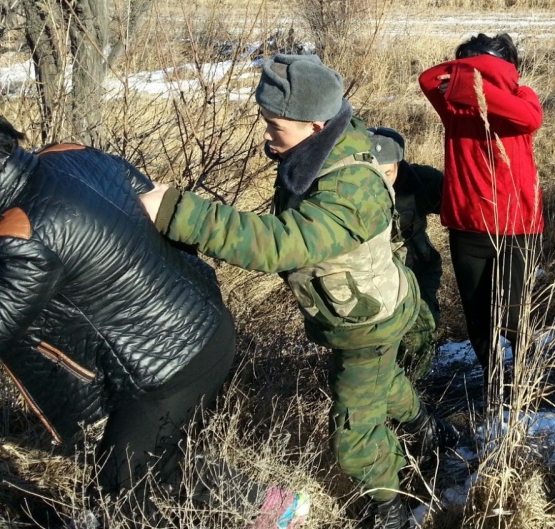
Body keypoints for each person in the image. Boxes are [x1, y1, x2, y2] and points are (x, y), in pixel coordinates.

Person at [140, 54, 452, 529]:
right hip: (363, 314)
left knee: (354, 431)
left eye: (274, 123)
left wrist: (177, 212)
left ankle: (389, 507)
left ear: (316, 123)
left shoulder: (351, 189)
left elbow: (283, 244)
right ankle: (426, 430)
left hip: (366, 324)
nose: (266, 133)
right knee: (380, 384)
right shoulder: (319, 147)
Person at [0, 116, 235, 524]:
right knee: (164, 467)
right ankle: (272, 507)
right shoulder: (70, 154)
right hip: (208, 326)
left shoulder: (23, 235)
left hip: (162, 371)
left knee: (118, 499)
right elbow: (152, 201)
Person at [418, 33, 544, 401]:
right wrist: (469, 76)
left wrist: (475, 79)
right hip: (468, 227)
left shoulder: (523, 97)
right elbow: (427, 78)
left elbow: (531, 119)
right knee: (478, 316)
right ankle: (493, 380)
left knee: (514, 315)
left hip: (517, 227)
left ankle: (524, 378)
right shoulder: (454, 106)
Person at [368, 127, 443, 380]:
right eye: (374, 172)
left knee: (422, 327)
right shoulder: (351, 186)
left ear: (399, 164)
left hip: (417, 268)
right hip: (374, 276)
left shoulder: (421, 181)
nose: (381, 179)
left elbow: (461, 203)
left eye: (387, 172)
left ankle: (416, 388)